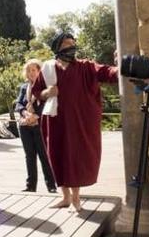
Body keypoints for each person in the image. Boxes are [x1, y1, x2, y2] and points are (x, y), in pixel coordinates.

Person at [31, 31, 118, 211]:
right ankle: (65, 197)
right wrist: (47, 93)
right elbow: (36, 91)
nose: (71, 47)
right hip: (55, 121)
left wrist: (121, 65)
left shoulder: (86, 67)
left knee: (75, 156)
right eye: (66, 45)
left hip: (79, 122)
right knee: (58, 155)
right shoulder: (48, 69)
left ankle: (76, 198)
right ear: (57, 48)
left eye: (73, 43)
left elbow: (107, 73)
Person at [14, 59, 57, 193]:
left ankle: (51, 185)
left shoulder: (45, 87)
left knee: (44, 155)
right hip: (25, 125)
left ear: (39, 71)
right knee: (29, 156)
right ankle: (30, 186)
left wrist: (36, 116)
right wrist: (25, 113)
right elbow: (18, 104)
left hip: (40, 124)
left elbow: (47, 103)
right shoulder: (24, 87)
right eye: (28, 70)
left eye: (34, 69)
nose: (31, 72)